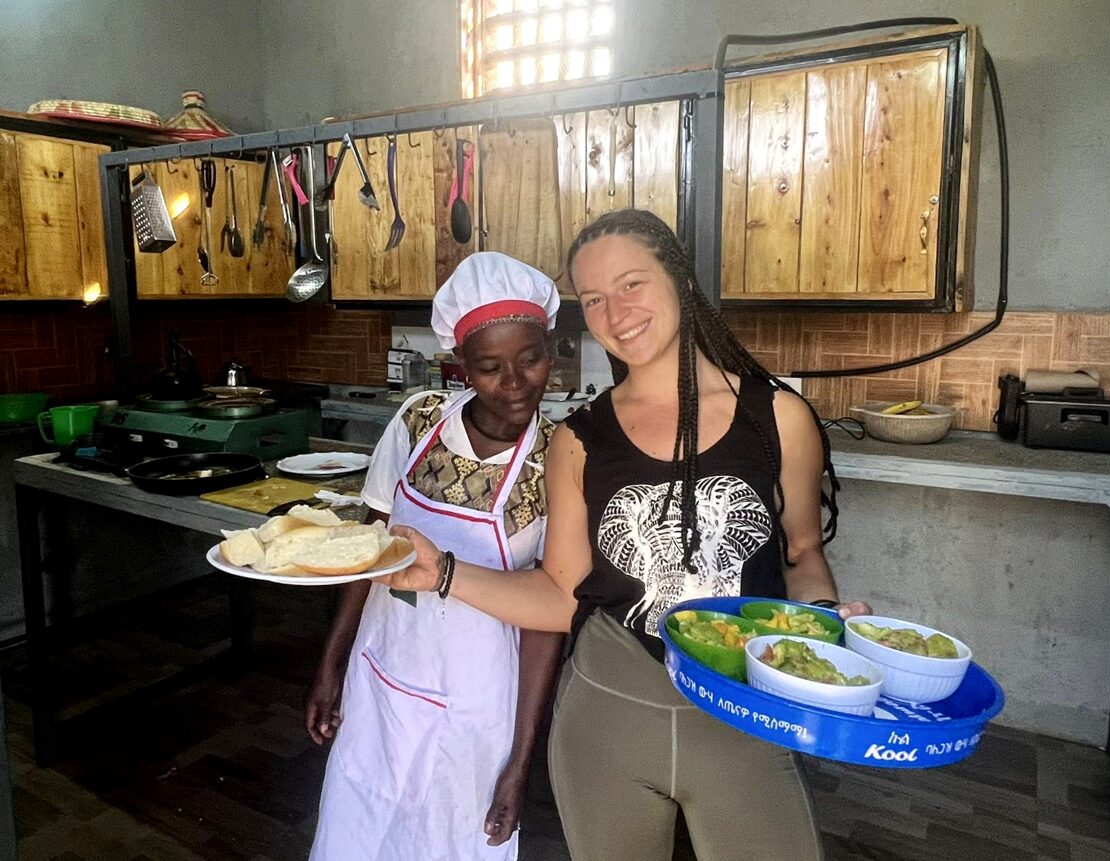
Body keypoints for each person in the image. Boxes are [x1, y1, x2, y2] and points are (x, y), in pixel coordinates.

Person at [380, 209, 870, 861]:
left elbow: (803, 554)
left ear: (681, 282)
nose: (615, 310)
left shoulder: (779, 418)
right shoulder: (580, 440)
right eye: (595, 298)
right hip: (609, 715)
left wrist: (816, 627)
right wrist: (441, 571)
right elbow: (559, 597)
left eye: (632, 283)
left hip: (744, 717)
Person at [306, 252, 566, 861]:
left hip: (479, 696)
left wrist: (520, 763)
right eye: (489, 367)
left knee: (454, 833)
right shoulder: (417, 420)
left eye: (531, 359)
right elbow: (367, 550)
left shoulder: (560, 458)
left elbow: (546, 620)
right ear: (460, 368)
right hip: (384, 667)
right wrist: (331, 663)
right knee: (362, 815)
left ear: (552, 350)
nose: (515, 383)